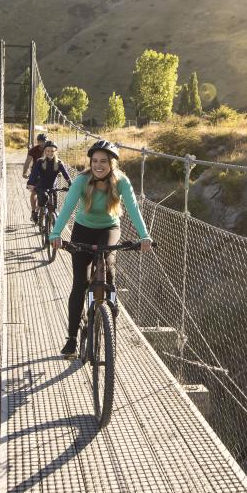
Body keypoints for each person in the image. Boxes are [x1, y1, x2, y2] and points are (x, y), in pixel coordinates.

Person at [49, 139, 154, 357]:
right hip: (83, 229)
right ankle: (71, 339)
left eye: (103, 161)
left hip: (109, 227)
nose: (98, 165)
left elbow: (133, 209)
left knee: (109, 266)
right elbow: (68, 207)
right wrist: (56, 233)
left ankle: (110, 316)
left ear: (112, 163)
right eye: (95, 161)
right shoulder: (81, 180)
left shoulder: (121, 182)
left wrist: (144, 236)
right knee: (79, 283)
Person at [26, 141, 71, 220]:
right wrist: (30, 183)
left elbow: (65, 174)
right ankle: (36, 213)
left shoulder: (59, 163)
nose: (50, 153)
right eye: (48, 151)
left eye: (52, 151)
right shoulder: (40, 162)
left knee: (54, 207)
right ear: (45, 151)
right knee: (43, 199)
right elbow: (34, 174)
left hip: (53, 187)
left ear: (55, 152)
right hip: (41, 186)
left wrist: (70, 183)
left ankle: (51, 220)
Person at [22, 132, 48, 219]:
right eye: (40, 141)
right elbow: (27, 162)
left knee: (48, 191)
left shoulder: (50, 149)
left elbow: (57, 161)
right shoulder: (33, 150)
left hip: (47, 174)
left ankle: (40, 210)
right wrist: (24, 172)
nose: (42, 143)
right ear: (37, 142)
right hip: (35, 173)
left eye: (43, 141)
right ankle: (33, 212)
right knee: (34, 192)